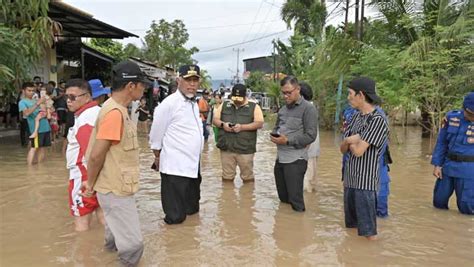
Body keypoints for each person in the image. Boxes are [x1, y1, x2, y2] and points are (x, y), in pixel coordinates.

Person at [84, 61, 148, 266]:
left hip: (114, 186)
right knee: (133, 246)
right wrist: (90, 184)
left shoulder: (117, 109)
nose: (144, 89)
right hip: (114, 189)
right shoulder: (115, 114)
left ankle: (105, 259)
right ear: (131, 87)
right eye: (141, 85)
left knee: (114, 239)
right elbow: (96, 155)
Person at [149, 64, 204, 224]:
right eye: (188, 80)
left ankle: (189, 246)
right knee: (176, 217)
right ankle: (172, 247)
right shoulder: (168, 104)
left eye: (195, 80)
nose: (192, 84)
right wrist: (158, 156)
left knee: (192, 211)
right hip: (175, 168)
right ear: (179, 80)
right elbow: (156, 135)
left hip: (193, 167)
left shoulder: (194, 103)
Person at [340, 77, 389, 240]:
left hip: (365, 184)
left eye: (350, 94)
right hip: (350, 181)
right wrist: (350, 140)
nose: (348, 97)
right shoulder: (354, 117)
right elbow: (342, 149)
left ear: (361, 95)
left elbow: (359, 151)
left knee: (368, 232)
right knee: (351, 228)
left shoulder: (378, 120)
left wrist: (352, 142)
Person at [270, 76, 318, 212]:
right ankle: (286, 228)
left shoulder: (308, 109)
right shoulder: (283, 110)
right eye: (283, 93)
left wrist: (288, 141)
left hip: (296, 160)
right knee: (283, 199)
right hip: (280, 159)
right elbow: (277, 127)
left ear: (298, 89)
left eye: (289, 92)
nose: (286, 96)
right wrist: (274, 135)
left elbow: (311, 136)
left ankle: (299, 228)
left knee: (296, 201)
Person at [65, 79, 105, 231]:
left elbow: (91, 152)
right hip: (97, 175)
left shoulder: (84, 119)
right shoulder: (97, 112)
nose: (68, 101)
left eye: (73, 97)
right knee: (103, 215)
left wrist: (89, 181)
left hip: (83, 176)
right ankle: (110, 250)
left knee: (81, 221)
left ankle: (83, 253)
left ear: (87, 96)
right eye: (66, 97)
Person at [342, 106, 393, 218]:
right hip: (352, 168)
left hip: (374, 166)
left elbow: (358, 146)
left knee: (379, 206)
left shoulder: (377, 115)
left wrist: (349, 142)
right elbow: (346, 141)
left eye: (351, 94)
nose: (349, 97)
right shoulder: (351, 112)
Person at [431, 91, 474, 215]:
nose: (471, 118)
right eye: (470, 114)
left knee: (467, 208)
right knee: (438, 201)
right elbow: (442, 142)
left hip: (469, 170)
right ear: (464, 108)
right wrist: (437, 165)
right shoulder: (451, 117)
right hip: (448, 166)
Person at [212, 83, 264, 183]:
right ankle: (227, 197)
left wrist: (242, 127)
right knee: (227, 177)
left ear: (245, 96)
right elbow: (215, 120)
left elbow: (259, 123)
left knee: (247, 177)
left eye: (239, 98)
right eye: (234, 98)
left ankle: (248, 197)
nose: (236, 100)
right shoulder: (224, 105)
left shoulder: (254, 107)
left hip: (245, 149)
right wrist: (223, 125)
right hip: (226, 147)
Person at [18, 82, 51, 165]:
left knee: (42, 148)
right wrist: (37, 104)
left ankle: (39, 169)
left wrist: (46, 103)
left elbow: (46, 112)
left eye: (33, 90)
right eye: (29, 90)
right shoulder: (22, 102)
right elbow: (26, 114)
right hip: (36, 130)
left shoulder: (37, 100)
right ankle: (29, 169)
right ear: (23, 91)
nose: (31, 92)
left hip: (45, 127)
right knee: (34, 148)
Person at [299, 82, 321, 193]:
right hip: (312, 151)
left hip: (307, 151)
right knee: (311, 181)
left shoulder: (307, 109)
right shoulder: (311, 107)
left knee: (306, 184)